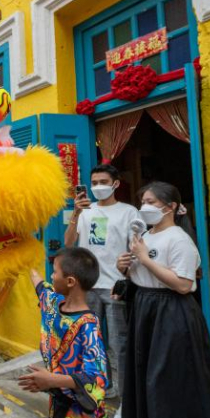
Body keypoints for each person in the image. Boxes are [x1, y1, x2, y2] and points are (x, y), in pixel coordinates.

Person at [116, 182, 210, 418]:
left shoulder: (179, 240)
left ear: (169, 207)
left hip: (172, 313)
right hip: (145, 309)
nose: (144, 206)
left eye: (150, 201)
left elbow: (183, 284)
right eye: (143, 200)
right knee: (148, 381)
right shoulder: (145, 236)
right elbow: (140, 274)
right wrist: (125, 265)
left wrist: (143, 259)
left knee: (173, 382)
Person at [20, 248, 108, 418]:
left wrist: (49, 379)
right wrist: (21, 255)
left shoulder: (89, 326)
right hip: (58, 406)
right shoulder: (53, 303)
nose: (51, 275)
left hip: (79, 415)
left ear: (70, 281)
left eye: (55, 272)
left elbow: (96, 378)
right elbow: (39, 284)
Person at [64, 164, 138, 404]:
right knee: (92, 342)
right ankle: (103, 387)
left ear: (116, 184)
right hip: (88, 286)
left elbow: (137, 248)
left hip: (114, 286)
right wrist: (75, 214)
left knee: (119, 343)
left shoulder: (128, 212)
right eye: (94, 182)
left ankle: (127, 398)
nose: (98, 187)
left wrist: (128, 274)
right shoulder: (85, 211)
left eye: (103, 182)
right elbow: (69, 243)